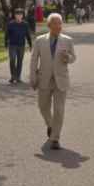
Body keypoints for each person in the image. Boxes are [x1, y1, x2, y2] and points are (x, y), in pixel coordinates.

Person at [29, 13, 76, 150]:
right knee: (42, 106)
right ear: (49, 25)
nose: (58, 26)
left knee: (59, 110)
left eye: (60, 23)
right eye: (55, 23)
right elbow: (33, 60)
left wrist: (68, 57)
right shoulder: (40, 40)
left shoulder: (67, 40)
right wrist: (33, 76)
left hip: (61, 79)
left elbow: (74, 57)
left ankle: (55, 137)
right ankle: (50, 125)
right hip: (44, 78)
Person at [5, 8, 32, 84]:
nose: (19, 16)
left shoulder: (25, 24)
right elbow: (7, 34)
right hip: (12, 45)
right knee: (12, 60)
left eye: (20, 14)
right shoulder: (10, 24)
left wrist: (30, 45)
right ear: (15, 15)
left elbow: (28, 35)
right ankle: (13, 76)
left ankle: (18, 77)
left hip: (21, 45)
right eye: (17, 14)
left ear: (22, 16)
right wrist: (6, 44)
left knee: (20, 61)